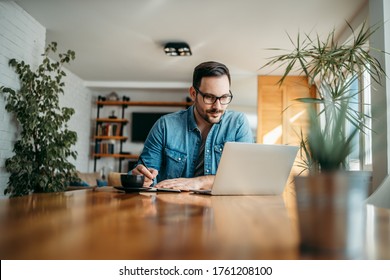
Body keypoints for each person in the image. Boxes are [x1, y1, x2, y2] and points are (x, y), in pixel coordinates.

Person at [131, 61, 253, 190]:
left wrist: (200, 182)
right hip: (171, 206)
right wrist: (141, 178)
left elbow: (245, 177)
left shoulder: (238, 123)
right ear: (193, 94)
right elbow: (145, 172)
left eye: (224, 97)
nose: (218, 106)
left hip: (221, 207)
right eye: (209, 97)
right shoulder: (165, 125)